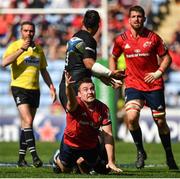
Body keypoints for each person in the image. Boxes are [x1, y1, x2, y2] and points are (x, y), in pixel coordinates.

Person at [109, 5, 179, 170]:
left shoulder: (153, 37)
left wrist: (158, 72)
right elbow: (113, 56)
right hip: (133, 84)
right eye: (133, 16)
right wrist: (113, 73)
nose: (136, 19)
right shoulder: (121, 39)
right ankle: (140, 151)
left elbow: (167, 58)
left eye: (139, 17)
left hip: (153, 84)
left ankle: (169, 155)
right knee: (131, 117)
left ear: (144, 19)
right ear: (129, 19)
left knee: (160, 121)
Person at [2, 21, 57, 167]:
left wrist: (51, 87)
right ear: (21, 32)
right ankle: (35, 157)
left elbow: (43, 70)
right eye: (26, 31)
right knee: (27, 119)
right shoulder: (14, 46)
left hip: (35, 90)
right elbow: (4, 62)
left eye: (31, 31)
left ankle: (21, 159)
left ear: (34, 32)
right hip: (19, 88)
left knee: (26, 123)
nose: (29, 33)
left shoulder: (38, 49)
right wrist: (21, 50)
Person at [53, 71, 122, 174]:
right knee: (65, 170)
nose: (90, 92)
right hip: (71, 143)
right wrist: (68, 87)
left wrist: (111, 161)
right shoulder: (76, 104)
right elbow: (71, 101)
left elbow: (108, 135)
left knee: (104, 170)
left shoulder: (103, 109)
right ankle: (57, 158)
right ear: (79, 94)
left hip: (90, 145)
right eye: (85, 90)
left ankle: (81, 162)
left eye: (92, 89)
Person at [59, 9, 124, 110]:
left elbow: (81, 65)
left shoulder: (75, 37)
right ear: (98, 25)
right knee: (95, 116)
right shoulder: (88, 39)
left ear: (83, 22)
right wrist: (110, 73)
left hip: (66, 86)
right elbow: (89, 63)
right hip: (78, 87)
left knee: (77, 122)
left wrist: (102, 77)